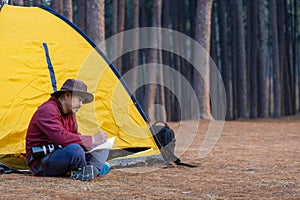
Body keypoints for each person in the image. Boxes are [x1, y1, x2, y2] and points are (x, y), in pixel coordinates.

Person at [26, 79, 111, 181]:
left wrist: (94, 144)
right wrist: (92, 139)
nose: (81, 104)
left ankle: (91, 170)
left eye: (82, 101)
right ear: (67, 95)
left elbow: (74, 136)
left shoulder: (70, 113)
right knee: (75, 150)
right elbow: (62, 138)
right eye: (79, 99)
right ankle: (93, 168)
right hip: (42, 162)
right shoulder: (48, 110)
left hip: (63, 154)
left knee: (102, 147)